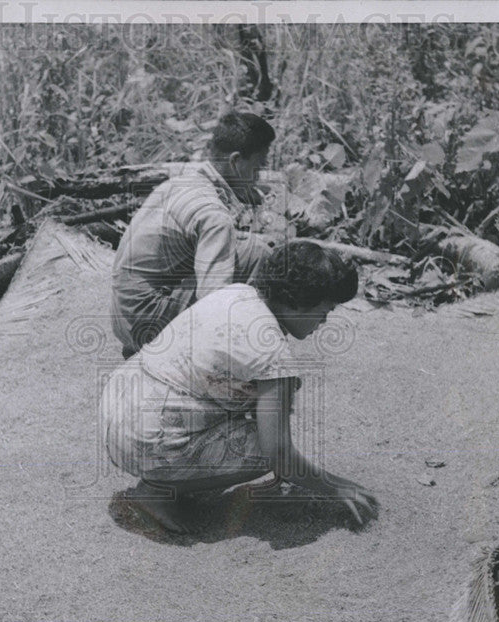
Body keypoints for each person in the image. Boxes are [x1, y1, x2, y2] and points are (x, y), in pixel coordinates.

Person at [100, 241, 377, 534]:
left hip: (116, 405)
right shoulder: (272, 354)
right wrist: (335, 487)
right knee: (260, 449)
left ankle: (172, 476)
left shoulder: (238, 293)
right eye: (325, 310)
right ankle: (155, 492)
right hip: (142, 438)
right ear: (299, 301)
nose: (323, 321)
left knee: (246, 407)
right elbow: (279, 454)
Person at [110, 111, 278, 359]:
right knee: (256, 254)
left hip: (123, 315)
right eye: (257, 167)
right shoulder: (214, 216)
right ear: (235, 162)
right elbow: (213, 299)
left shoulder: (179, 183)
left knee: (241, 246)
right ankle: (212, 365)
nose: (260, 176)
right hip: (144, 323)